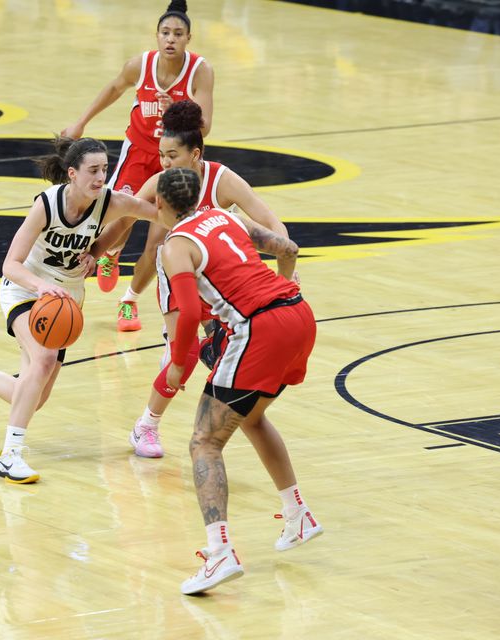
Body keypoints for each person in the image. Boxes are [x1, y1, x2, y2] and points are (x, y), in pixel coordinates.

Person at [0, 137, 158, 484]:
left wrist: (98, 250)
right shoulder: (47, 205)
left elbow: (147, 213)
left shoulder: (109, 202)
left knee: (33, 397)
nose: (101, 177)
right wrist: (41, 286)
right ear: (72, 173)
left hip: (65, 301)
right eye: (93, 171)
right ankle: (9, 456)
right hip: (26, 289)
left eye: (104, 170)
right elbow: (10, 264)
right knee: (43, 361)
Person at [153, 168, 322, 595]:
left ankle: (220, 553)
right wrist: (283, 285)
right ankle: (298, 515)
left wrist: (177, 365)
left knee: (203, 442)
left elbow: (189, 314)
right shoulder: (225, 216)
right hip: (299, 315)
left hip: (260, 331)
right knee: (251, 417)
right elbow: (288, 246)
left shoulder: (176, 246)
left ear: (161, 206)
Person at [89, 100, 290, 459]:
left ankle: (228, 421)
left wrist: (286, 265)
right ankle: (146, 426)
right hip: (179, 271)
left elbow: (272, 224)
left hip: (222, 280)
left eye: (172, 156)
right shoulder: (160, 181)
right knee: (181, 354)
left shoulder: (223, 179)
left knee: (227, 356)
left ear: (195, 154)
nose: (164, 163)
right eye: (161, 155)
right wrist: (99, 251)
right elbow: (125, 218)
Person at [61, 0, 214, 331]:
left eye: (178, 34)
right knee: (123, 215)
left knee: (158, 243)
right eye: (165, 33)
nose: (170, 39)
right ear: (156, 35)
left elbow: (206, 127)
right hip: (139, 152)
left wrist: (178, 110)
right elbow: (114, 88)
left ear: (189, 38)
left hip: (174, 162)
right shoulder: (139, 65)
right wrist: (80, 123)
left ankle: (128, 300)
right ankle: (112, 254)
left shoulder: (201, 70)